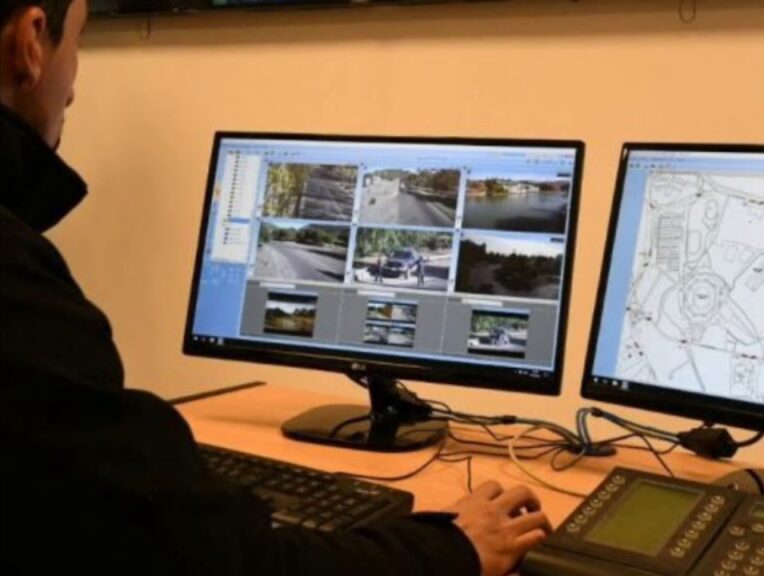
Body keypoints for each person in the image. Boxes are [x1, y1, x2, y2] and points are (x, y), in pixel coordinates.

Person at [0, 1, 551, 574]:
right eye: (79, 41)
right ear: (33, 42)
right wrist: (454, 548)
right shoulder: (18, 282)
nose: (73, 90)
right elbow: (235, 562)